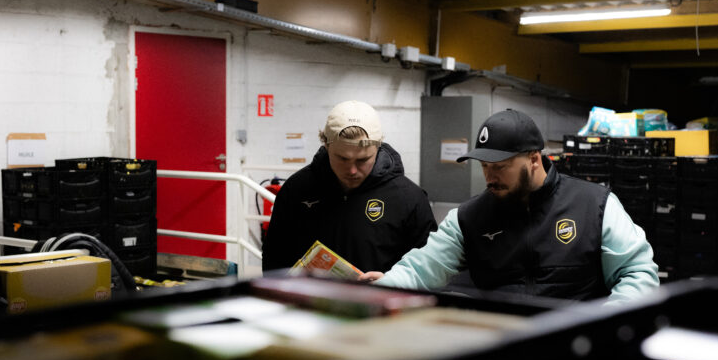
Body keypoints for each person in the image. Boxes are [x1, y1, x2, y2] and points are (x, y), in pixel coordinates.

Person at [360, 109, 659, 305]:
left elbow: (638, 274)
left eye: (500, 167)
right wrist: (388, 284)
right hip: (505, 350)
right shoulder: (469, 219)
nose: (490, 176)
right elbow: (421, 269)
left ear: (533, 159)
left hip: (577, 349)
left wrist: (603, 321)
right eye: (485, 166)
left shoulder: (595, 205)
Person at [262, 100, 437, 273]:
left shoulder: (408, 198)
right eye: (342, 159)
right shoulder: (297, 190)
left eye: (363, 160)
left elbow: (428, 268)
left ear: (378, 148)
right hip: (309, 300)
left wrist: (392, 282)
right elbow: (274, 259)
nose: (352, 170)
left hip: (381, 300)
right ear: (326, 145)